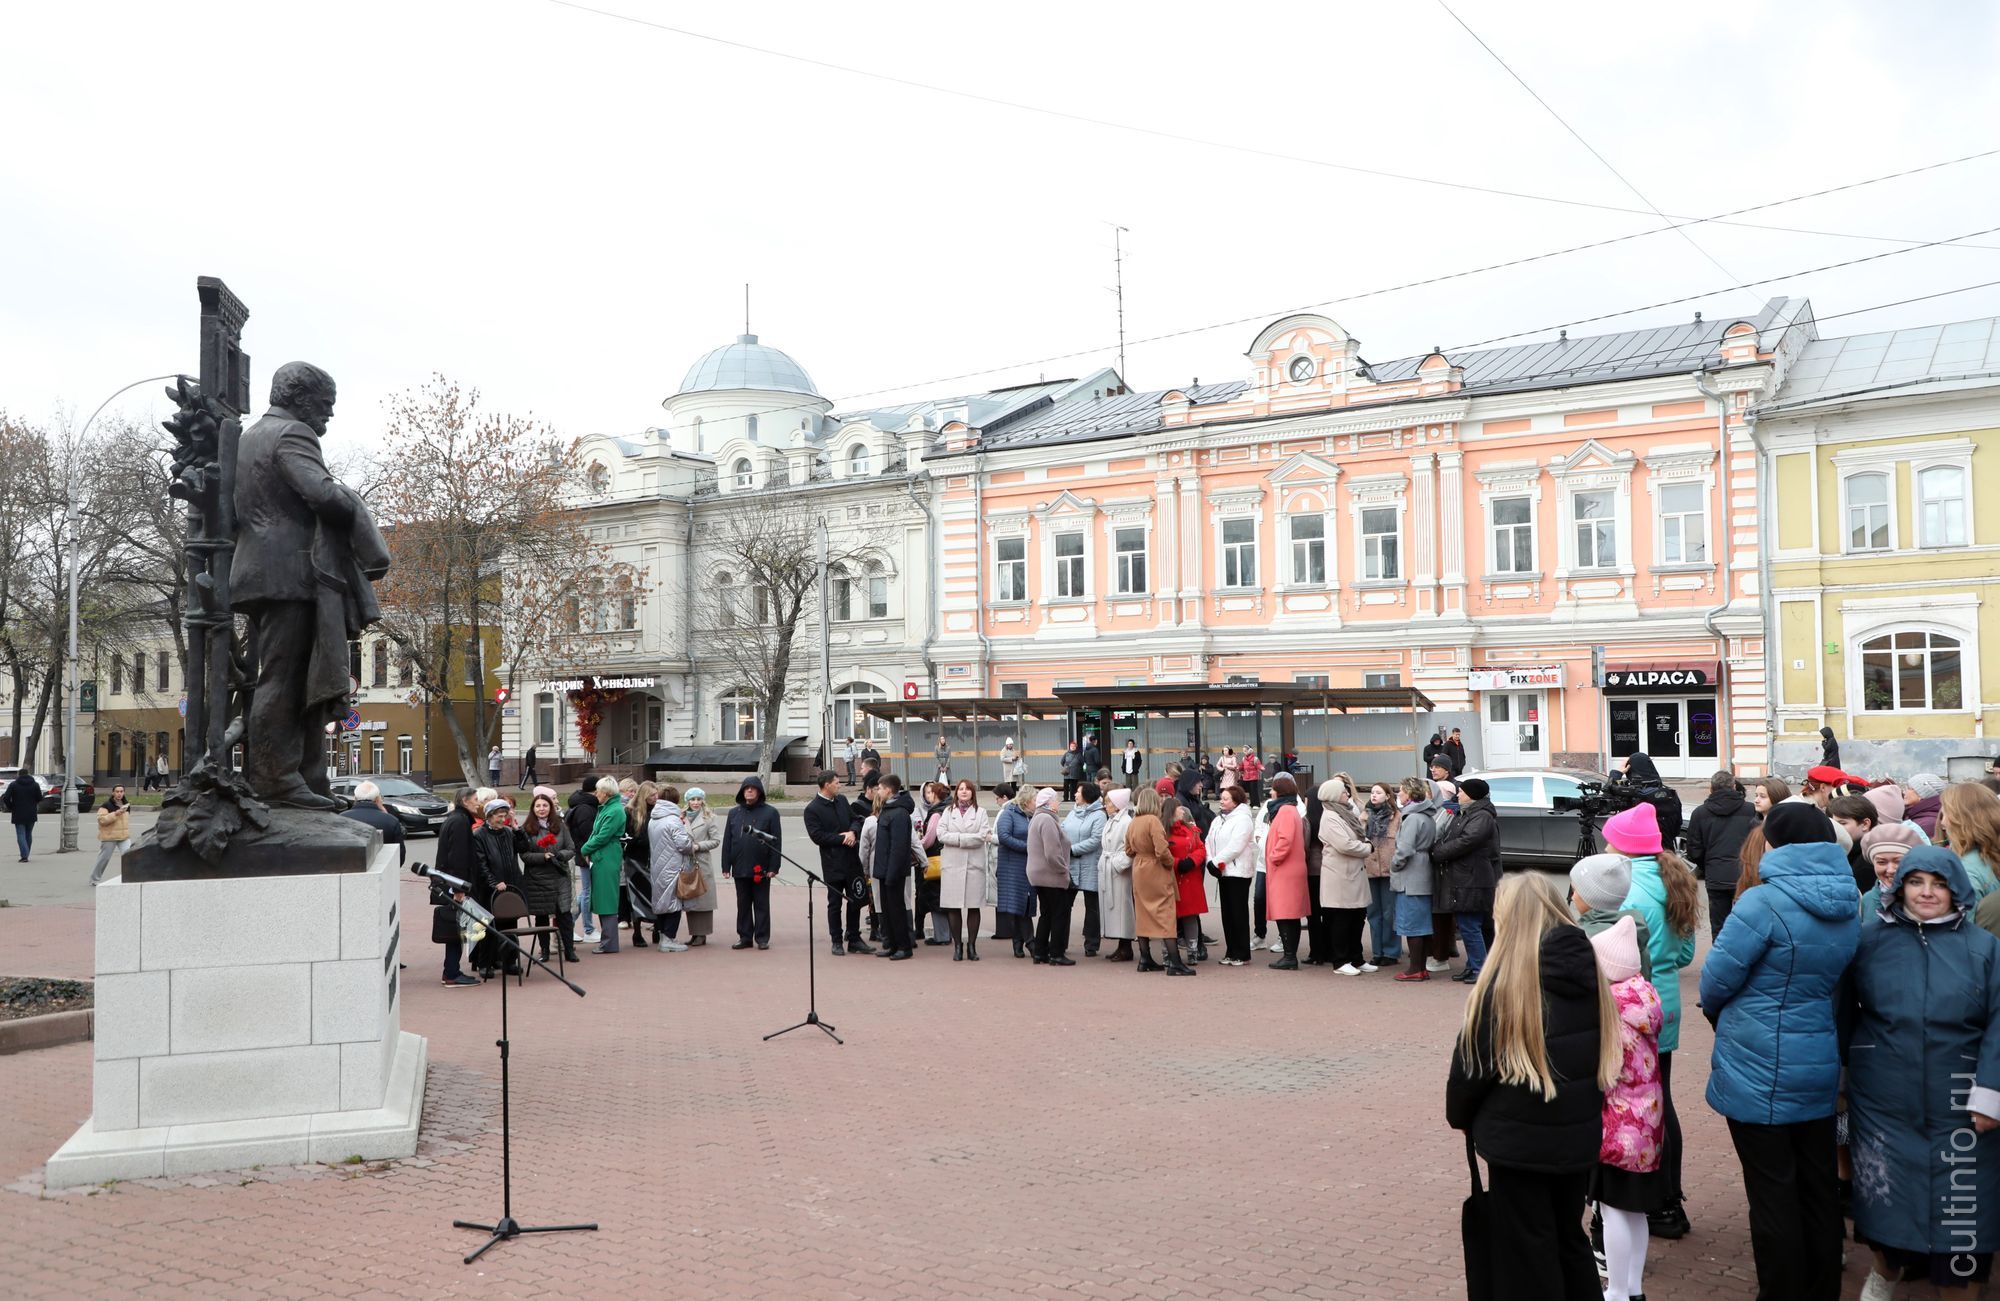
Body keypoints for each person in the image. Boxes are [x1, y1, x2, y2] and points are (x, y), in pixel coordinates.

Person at [1701, 801, 1858, 1300]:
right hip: (1816, 1053)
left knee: (1771, 1191)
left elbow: (1716, 981)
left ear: (1776, 843)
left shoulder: (1761, 903)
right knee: (1816, 1185)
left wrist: (1722, 1014)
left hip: (1757, 1060)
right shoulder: (1849, 899)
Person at [1447, 871, 1616, 1301]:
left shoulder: (1505, 987)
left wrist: (1462, 1117)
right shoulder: (1590, 973)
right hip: (1575, 1138)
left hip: (1518, 1142)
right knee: (1567, 1238)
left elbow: (1470, 1071)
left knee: (1529, 1252)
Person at [1845, 844, 2000, 1301]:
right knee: (1886, 1202)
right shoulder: (1868, 941)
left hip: (1962, 1101)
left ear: (1957, 890)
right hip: (1884, 1100)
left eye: (1939, 883)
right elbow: (1843, 1013)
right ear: (1900, 886)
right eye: (1916, 881)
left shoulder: (1985, 948)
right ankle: (1884, 1272)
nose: (1927, 892)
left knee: (1963, 1214)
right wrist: (1844, 1076)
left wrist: (1991, 1091)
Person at [1602, 802, 1700, 1240]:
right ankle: (1669, 1200)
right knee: (1662, 1101)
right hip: (1666, 1004)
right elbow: (1683, 954)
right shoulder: (1672, 879)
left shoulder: (1626, 888)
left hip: (1631, 1004)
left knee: (1638, 1106)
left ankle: (1653, 1201)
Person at [1590, 915, 1667, 1301]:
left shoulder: (1611, 1008)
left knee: (1613, 1209)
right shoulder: (1646, 996)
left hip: (1618, 1124)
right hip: (1648, 1122)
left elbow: (1601, 1067)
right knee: (1635, 1210)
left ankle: (1617, 1290)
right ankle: (1633, 1287)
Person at [1433, 775, 1500, 983]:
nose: (1458, 793)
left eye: (1461, 791)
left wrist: (1440, 852)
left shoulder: (1481, 816)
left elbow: (1467, 840)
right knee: (1469, 924)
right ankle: (1472, 966)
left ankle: (1480, 969)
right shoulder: (1468, 813)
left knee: (1470, 925)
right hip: (1466, 875)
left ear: (1471, 795)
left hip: (1473, 878)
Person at [804, 771, 870, 956]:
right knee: (834, 903)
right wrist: (841, 838)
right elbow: (817, 836)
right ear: (826, 785)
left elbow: (855, 820)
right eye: (836, 782)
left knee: (855, 900)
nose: (839, 785)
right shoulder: (812, 809)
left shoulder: (841, 801)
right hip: (832, 863)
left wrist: (853, 833)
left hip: (851, 860)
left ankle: (855, 938)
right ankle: (836, 940)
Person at [1687, 770, 1758, 938]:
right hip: (1744, 874)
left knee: (1719, 926)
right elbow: (1758, 842)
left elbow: (1694, 850)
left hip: (1716, 875)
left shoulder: (1700, 813)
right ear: (1734, 787)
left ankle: (1720, 961)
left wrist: (1708, 865)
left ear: (1711, 789)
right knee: (1747, 923)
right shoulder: (1750, 810)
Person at [1315, 777, 1372, 974]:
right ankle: (1340, 961)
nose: (1347, 794)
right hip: (1340, 874)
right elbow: (1344, 845)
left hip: (1353, 872)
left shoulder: (1344, 813)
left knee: (1357, 917)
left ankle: (1356, 958)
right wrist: (1367, 847)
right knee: (1342, 919)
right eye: (1343, 792)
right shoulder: (1330, 817)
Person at [519, 790, 581, 963]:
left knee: (564, 915)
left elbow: (571, 848)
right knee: (542, 916)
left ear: (551, 807)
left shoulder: (560, 826)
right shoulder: (527, 829)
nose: (541, 809)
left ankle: (569, 949)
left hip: (559, 875)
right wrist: (542, 857)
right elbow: (524, 855)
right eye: (538, 806)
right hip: (538, 877)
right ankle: (544, 950)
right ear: (533, 808)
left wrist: (560, 855)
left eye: (545, 805)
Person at [431, 788, 483, 985]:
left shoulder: (456, 819)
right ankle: (451, 972)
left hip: (451, 883)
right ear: (464, 801)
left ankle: (452, 970)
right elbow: (458, 857)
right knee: (456, 928)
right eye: (475, 800)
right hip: (455, 886)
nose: (478, 803)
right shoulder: (460, 822)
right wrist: (459, 888)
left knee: (458, 927)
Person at [722, 776, 781, 951]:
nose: (749, 790)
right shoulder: (734, 813)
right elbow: (727, 841)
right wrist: (726, 866)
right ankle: (745, 936)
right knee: (743, 903)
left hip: (761, 868)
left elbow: (776, 842)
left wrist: (773, 867)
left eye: (753, 788)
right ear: (741, 791)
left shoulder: (770, 813)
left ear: (759, 791)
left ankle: (762, 937)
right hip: (740, 866)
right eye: (746, 788)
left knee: (762, 903)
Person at [1125, 788, 1179, 974]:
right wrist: (1170, 862)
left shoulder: (1134, 822)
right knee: (1165, 912)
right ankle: (1175, 962)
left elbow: (1128, 850)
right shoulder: (1153, 821)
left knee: (1143, 913)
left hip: (1139, 868)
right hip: (1155, 868)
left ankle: (1145, 958)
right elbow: (1162, 850)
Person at [1569, 853, 1652, 976]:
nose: (1572, 897)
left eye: (1575, 890)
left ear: (1591, 896)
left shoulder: (1584, 939)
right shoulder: (1635, 931)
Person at [473, 797, 529, 977]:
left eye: (504, 815)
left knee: (510, 924)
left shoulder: (508, 832)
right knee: (489, 926)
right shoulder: (480, 835)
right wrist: (493, 882)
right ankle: (485, 963)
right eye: (498, 815)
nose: (502, 819)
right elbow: (480, 864)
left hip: (511, 884)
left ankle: (510, 962)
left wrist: (516, 828)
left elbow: (523, 848)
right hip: (490, 888)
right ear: (489, 816)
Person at [1391, 777, 1439, 982]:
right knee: (1422, 924)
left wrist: (1394, 864)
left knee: (1412, 925)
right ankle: (1421, 967)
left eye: (1401, 791)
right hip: (1423, 871)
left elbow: (1405, 849)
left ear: (1410, 794)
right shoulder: (1426, 816)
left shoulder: (1412, 818)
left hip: (1411, 876)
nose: (1398, 795)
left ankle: (1415, 969)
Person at [1258, 772, 1307, 970]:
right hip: (1287, 868)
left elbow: (1285, 840)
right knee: (1288, 913)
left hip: (1284, 869)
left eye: (1273, 788)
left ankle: (1289, 956)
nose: (1271, 791)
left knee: (1286, 913)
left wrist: (1273, 858)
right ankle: (1289, 955)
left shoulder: (1285, 811)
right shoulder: (1289, 809)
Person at [937, 778, 990, 961]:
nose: (964, 792)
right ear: (956, 792)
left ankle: (972, 946)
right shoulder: (947, 812)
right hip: (952, 865)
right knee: (953, 907)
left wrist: (958, 839)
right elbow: (941, 834)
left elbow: (983, 836)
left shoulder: (981, 812)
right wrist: (965, 839)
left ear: (973, 792)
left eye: (967, 789)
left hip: (974, 866)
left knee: (974, 906)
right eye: (961, 789)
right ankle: (958, 946)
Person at [578, 776, 629, 953]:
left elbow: (603, 836)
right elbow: (597, 833)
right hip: (602, 855)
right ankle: (607, 942)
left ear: (606, 793)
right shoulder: (608, 808)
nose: (596, 793)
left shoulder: (614, 810)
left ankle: (609, 943)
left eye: (598, 790)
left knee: (606, 899)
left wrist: (584, 849)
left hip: (607, 856)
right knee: (602, 897)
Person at [1207, 784, 1256, 966]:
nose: (1222, 800)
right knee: (1227, 913)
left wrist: (1216, 861)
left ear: (1236, 801)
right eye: (1222, 797)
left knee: (1238, 912)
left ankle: (1242, 952)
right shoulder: (1218, 819)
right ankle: (1231, 950)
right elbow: (1208, 840)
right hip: (1223, 872)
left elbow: (1236, 845)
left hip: (1238, 872)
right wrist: (1210, 860)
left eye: (1226, 798)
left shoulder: (1243, 819)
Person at [1025, 787, 1073, 965]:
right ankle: (1056, 953)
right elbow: (1052, 852)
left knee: (1046, 913)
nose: (1058, 802)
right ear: (1048, 802)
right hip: (1051, 874)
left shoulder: (1038, 817)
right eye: (1056, 799)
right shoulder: (1046, 819)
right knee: (1059, 913)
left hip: (1039, 874)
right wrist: (1063, 869)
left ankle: (1040, 952)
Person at [871, 774, 916, 960]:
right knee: (888, 910)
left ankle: (904, 947)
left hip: (893, 872)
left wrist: (891, 873)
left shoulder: (899, 813)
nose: (877, 791)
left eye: (880, 788)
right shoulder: (888, 809)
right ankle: (892, 945)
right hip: (884, 870)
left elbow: (898, 847)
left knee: (896, 910)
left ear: (888, 790)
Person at [1063, 782, 1106, 959]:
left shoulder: (1099, 816)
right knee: (1064, 906)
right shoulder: (1073, 812)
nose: (1074, 795)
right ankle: (1060, 941)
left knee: (1092, 908)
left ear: (1087, 795)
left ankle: (1092, 944)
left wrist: (1073, 849)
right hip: (1071, 866)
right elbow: (1062, 830)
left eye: (1078, 792)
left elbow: (1096, 840)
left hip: (1090, 865)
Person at [993, 783, 1036, 957]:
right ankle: (1030, 943)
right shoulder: (1008, 814)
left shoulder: (1032, 815)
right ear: (1026, 801)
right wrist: (1028, 847)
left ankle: (1018, 942)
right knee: (1017, 905)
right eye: (1035, 800)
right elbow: (1003, 836)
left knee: (1023, 905)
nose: (1036, 803)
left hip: (1027, 865)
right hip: (1011, 866)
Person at [1095, 786, 1137, 963]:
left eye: (1109, 802)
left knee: (1123, 908)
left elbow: (1130, 849)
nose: (1106, 805)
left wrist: (1118, 864)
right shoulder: (1112, 820)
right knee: (1115, 908)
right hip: (1109, 866)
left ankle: (1126, 946)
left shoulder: (1126, 822)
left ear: (1118, 804)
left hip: (1119, 870)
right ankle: (1121, 945)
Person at [1362, 782, 1401, 967]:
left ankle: (1391, 952)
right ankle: (1377, 951)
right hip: (1369, 870)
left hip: (1389, 871)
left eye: (1378, 792)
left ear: (1387, 795)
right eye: (1372, 792)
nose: (1374, 795)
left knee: (1389, 913)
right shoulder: (1364, 816)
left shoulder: (1396, 817)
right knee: (1373, 913)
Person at [1940, 783, 2000, 900]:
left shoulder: (1964, 871)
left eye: (1946, 815)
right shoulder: (1992, 852)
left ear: (1961, 819)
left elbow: (1967, 917)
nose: (1942, 823)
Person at [680, 789, 721, 946]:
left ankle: (702, 934)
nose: (696, 802)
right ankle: (694, 933)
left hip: (701, 861)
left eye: (699, 799)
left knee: (703, 899)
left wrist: (698, 846)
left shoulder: (709, 818)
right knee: (690, 897)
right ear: (687, 801)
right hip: (686, 862)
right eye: (692, 799)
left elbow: (716, 840)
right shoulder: (681, 817)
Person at [1615, 752, 1684, 845]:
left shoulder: (1632, 796)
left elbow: (1607, 795)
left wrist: (1616, 774)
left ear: (1629, 771)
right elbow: (1677, 828)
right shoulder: (1670, 794)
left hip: (1638, 853)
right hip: (1666, 853)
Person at [1859, 822, 1925, 919]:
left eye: (1898, 861)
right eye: (1881, 862)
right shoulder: (1867, 900)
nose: (1890, 870)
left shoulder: (1927, 899)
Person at [565, 776, 601, 941]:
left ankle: (570, 924)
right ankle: (587, 928)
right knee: (587, 891)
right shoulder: (586, 808)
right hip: (585, 854)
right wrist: (589, 852)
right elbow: (588, 834)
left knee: (586, 891)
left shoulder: (580, 804)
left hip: (582, 852)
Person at [340, 779, 406, 866]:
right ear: (378, 799)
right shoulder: (391, 821)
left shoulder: (341, 818)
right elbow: (400, 856)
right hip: (383, 869)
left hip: (349, 869)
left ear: (355, 798)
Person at [88, 784, 133, 886]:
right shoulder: (106, 805)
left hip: (123, 836)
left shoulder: (126, 805)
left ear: (124, 793)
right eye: (117, 791)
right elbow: (101, 820)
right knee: (104, 858)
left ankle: (130, 876)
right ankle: (94, 879)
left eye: (121, 791)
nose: (119, 794)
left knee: (129, 856)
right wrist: (115, 813)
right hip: (109, 837)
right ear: (113, 793)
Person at [3, 768, 39, 861]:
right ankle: (26, 853)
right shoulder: (35, 785)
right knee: (28, 834)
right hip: (31, 812)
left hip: (18, 812)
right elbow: (39, 797)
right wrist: (33, 804)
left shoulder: (14, 785)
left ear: (19, 775)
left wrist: (11, 807)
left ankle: (24, 855)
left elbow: (6, 798)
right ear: (28, 774)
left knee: (20, 834)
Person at [1903, 772, 1947, 839]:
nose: (1904, 792)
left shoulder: (1927, 823)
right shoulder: (1917, 814)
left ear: (1922, 794)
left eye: (1909, 788)